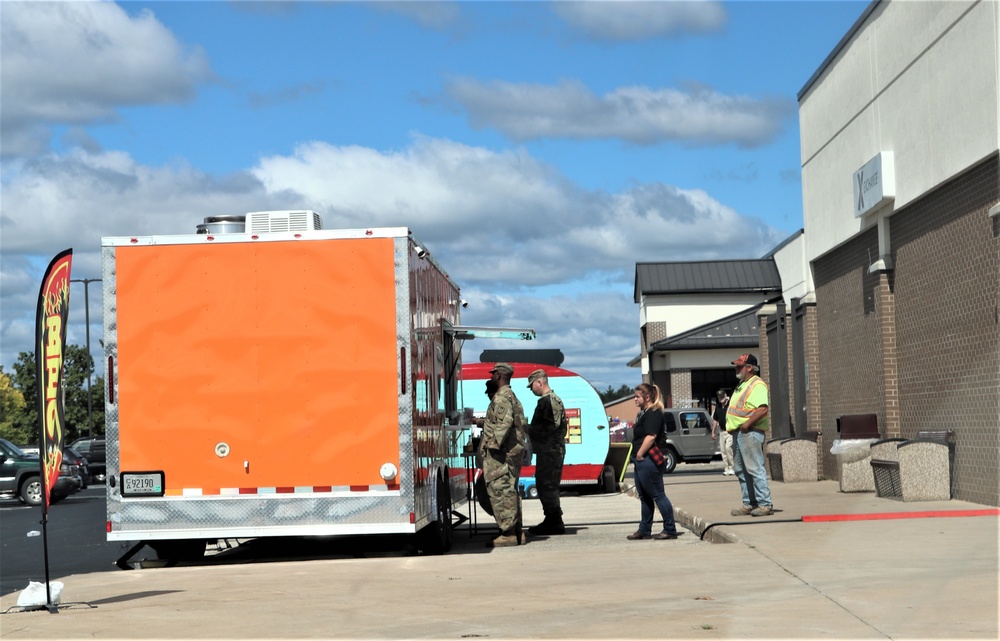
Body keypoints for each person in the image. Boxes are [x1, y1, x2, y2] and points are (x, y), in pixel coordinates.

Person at [479, 362, 528, 547]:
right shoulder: (512, 396)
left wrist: (492, 446)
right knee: (510, 490)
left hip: (501, 454)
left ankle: (507, 533)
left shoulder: (501, 398)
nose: (491, 377)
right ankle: (516, 531)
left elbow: (504, 423)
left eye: (493, 374)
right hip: (511, 452)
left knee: (501, 490)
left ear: (499, 375)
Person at [627, 383, 680, 540]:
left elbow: (651, 437)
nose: (635, 399)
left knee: (658, 495)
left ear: (647, 397)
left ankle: (670, 529)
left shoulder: (654, 413)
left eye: (637, 396)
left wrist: (640, 454)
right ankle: (644, 529)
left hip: (648, 460)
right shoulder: (644, 413)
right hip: (641, 461)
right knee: (645, 497)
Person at [726, 354, 774, 517]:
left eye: (740, 365)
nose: (737, 368)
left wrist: (746, 425)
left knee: (754, 468)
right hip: (740, 432)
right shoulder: (742, 384)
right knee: (741, 469)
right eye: (736, 365)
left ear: (750, 368)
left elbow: (762, 409)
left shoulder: (757, 385)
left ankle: (764, 504)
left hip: (749, 432)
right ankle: (749, 503)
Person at [526, 369, 566, 535]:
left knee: (547, 485)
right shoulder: (549, 401)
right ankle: (552, 519)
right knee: (545, 484)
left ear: (540, 382)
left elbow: (551, 427)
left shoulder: (549, 401)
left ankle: (554, 520)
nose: (531, 389)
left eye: (532, 386)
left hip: (550, 450)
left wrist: (528, 429)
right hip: (549, 450)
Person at [711, 388, 734, 476]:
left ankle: (732, 467)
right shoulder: (718, 407)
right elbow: (715, 420)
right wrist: (713, 432)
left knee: (729, 448)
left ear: (725, 395)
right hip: (721, 431)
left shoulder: (730, 405)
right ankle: (727, 468)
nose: (721, 399)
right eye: (719, 397)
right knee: (723, 450)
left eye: (722, 396)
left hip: (729, 431)